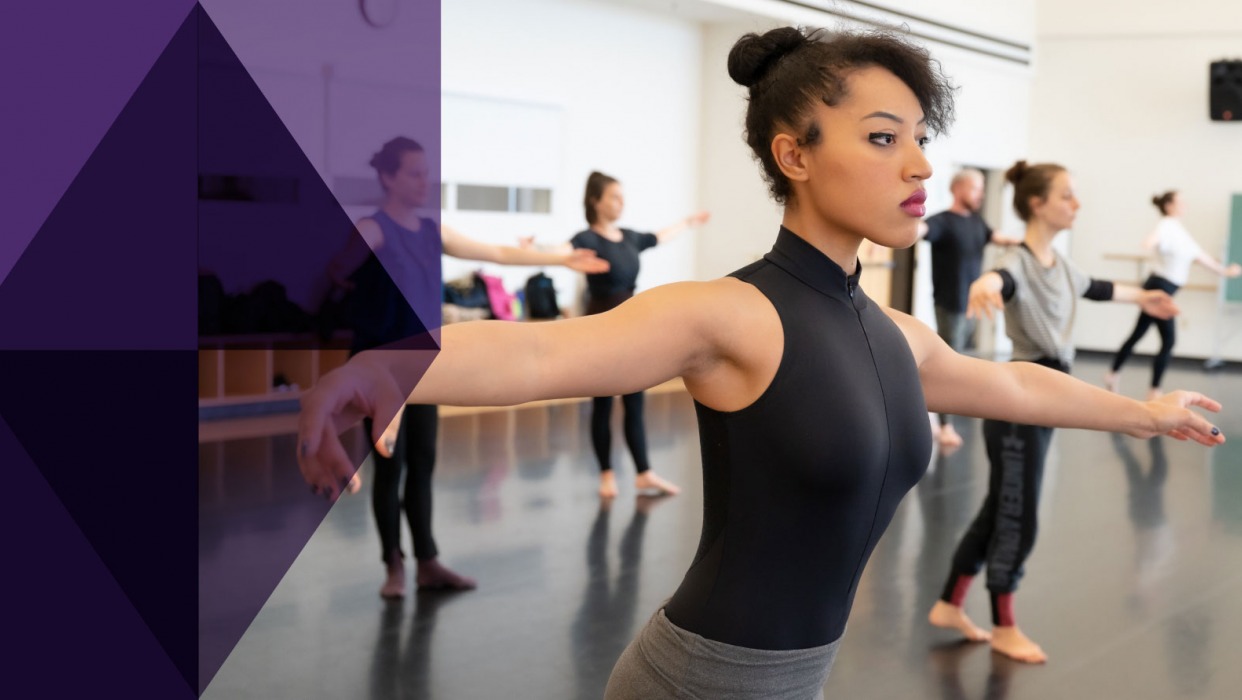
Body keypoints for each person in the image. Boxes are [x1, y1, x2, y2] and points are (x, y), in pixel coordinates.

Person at [300, 30, 1224, 698]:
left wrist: (1145, 413)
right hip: (699, 681)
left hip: (799, 679)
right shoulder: (733, 312)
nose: (918, 166)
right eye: (880, 137)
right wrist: (382, 369)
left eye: (917, 138)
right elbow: (546, 346)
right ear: (796, 155)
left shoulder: (894, 333)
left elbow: (1014, 383)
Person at [926, 161, 1203, 664]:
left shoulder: (1058, 263)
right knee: (1018, 513)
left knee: (1001, 505)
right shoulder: (1018, 262)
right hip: (1021, 402)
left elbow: (1095, 287)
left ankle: (949, 604)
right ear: (1038, 204)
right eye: (1067, 196)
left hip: (1048, 398)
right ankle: (1005, 625)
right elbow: (1000, 278)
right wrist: (986, 284)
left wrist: (1145, 296)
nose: (1076, 204)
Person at [326, 136, 609, 598]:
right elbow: (334, 270)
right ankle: (393, 567)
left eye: (426, 172)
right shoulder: (373, 228)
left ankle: (429, 561)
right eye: (414, 173)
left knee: (422, 462)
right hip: (382, 371)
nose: (423, 182)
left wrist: (559, 257)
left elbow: (495, 253)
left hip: (422, 368)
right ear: (388, 178)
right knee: (389, 467)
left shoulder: (430, 230)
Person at [566, 171, 709, 498]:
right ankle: (606, 474)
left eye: (622, 196)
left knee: (635, 402)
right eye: (614, 197)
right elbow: (563, 251)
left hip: (632, 331)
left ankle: (644, 473)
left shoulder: (629, 238)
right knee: (602, 404)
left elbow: (659, 237)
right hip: (600, 330)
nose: (621, 203)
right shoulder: (587, 240)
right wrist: (537, 249)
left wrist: (688, 222)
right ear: (595, 202)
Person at [1104, 191, 1242, 399]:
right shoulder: (1167, 225)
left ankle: (1114, 374)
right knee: (1166, 340)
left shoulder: (1179, 231)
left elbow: (1200, 257)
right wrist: (1150, 243)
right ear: (1168, 206)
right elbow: (1150, 241)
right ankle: (1153, 390)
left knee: (1139, 334)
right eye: (1180, 201)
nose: (1185, 204)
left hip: (1162, 287)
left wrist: (1226, 271)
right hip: (1159, 289)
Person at [919, 168, 1021, 447]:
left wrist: (1030, 243)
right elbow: (922, 229)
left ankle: (944, 416)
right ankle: (944, 426)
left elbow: (998, 237)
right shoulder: (942, 221)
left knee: (960, 361)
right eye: (976, 188)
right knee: (945, 368)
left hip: (972, 306)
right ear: (958, 189)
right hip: (950, 304)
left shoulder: (977, 223)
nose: (981, 195)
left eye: (982, 189)